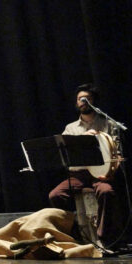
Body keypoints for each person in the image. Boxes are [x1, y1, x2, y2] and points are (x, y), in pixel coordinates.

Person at [48, 83, 120, 246]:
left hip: (101, 173)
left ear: (94, 101)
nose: (83, 102)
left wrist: (110, 173)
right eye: (80, 99)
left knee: (106, 192)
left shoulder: (107, 124)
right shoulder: (71, 128)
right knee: (56, 195)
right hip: (79, 174)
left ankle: (102, 236)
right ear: (76, 103)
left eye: (87, 99)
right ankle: (75, 233)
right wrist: (82, 140)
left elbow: (117, 154)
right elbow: (65, 156)